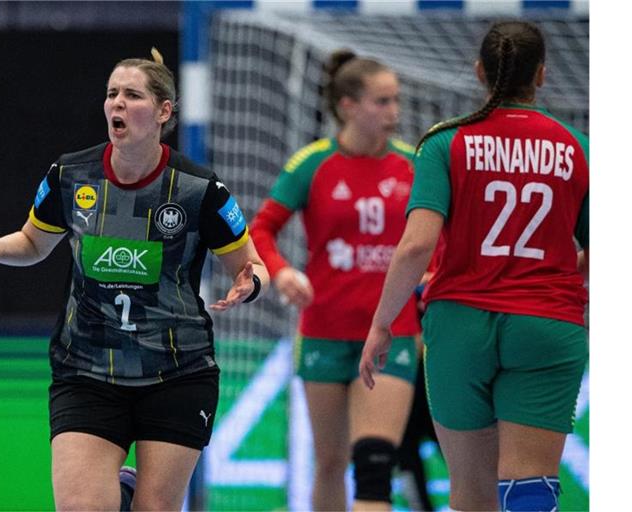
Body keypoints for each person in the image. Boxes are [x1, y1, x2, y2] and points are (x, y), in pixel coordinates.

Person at [0, 48, 269, 511]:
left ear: (163, 112)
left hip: (176, 371)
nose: (117, 103)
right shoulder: (71, 175)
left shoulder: (199, 190)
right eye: (112, 94)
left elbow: (251, 265)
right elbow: (34, 243)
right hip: (88, 368)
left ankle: (131, 495)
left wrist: (249, 283)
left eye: (132, 95)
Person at [359, 20, 588, 512]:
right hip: (547, 323)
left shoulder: (445, 142)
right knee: (529, 489)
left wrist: (382, 324)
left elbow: (416, 246)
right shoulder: (576, 147)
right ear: (543, 75)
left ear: (480, 71)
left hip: (460, 324)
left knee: (471, 492)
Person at [251, 49, 421, 511]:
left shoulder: (414, 164)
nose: (394, 113)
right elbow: (260, 229)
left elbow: (439, 241)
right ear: (348, 106)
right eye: (382, 102)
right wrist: (282, 272)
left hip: (393, 332)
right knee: (330, 462)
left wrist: (431, 276)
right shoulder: (312, 164)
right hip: (324, 328)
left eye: (395, 101)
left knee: (374, 463)